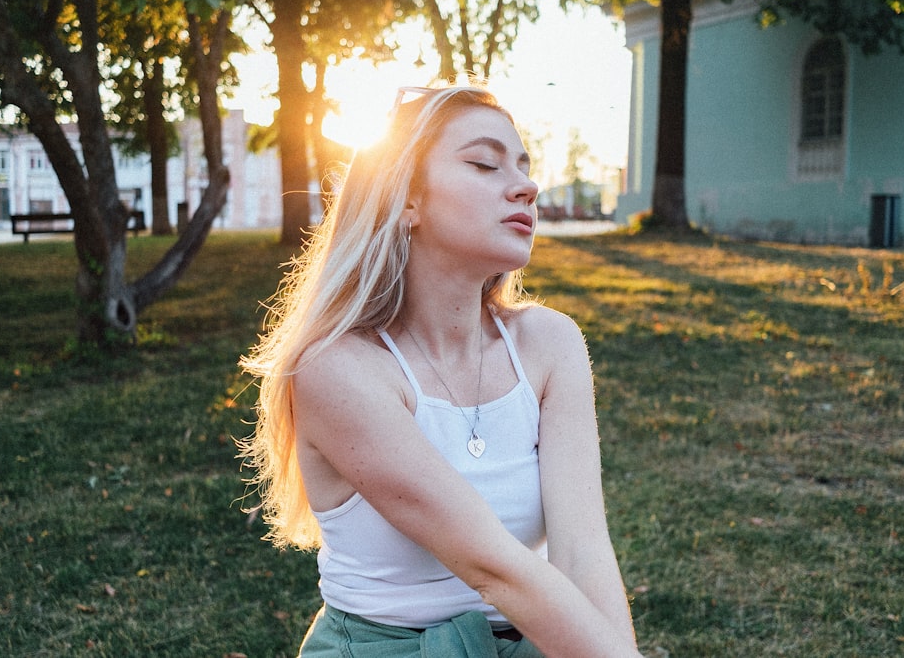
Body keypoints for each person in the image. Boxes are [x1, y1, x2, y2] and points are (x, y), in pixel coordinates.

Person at [239, 84, 642, 657]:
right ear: (407, 199)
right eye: (484, 163)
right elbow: (491, 566)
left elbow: (583, 553)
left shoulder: (552, 344)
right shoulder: (338, 368)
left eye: (525, 166)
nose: (526, 185)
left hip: (544, 639)